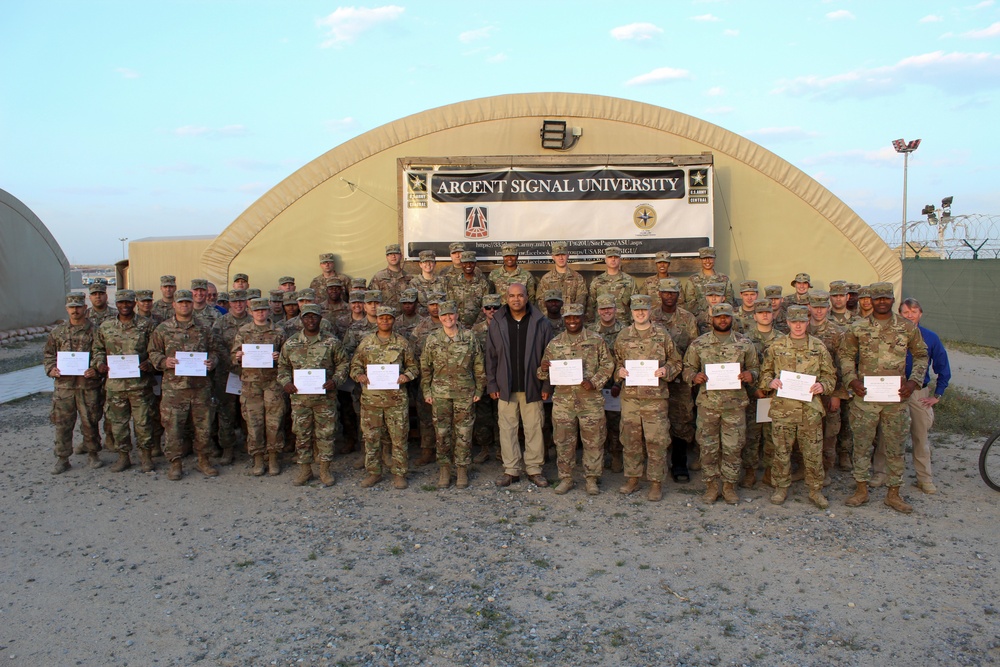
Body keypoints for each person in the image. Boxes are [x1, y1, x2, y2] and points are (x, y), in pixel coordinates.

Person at [839, 282, 928, 513]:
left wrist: (913, 381)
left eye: (886, 298)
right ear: (869, 300)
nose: (881, 302)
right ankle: (861, 489)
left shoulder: (907, 328)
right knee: (862, 445)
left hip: (895, 398)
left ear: (892, 300)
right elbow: (846, 355)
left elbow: (921, 355)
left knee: (896, 446)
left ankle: (894, 493)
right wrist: (852, 380)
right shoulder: (858, 327)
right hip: (865, 397)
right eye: (877, 298)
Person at [758, 306, 837, 508]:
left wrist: (823, 386)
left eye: (802, 321)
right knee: (781, 452)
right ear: (788, 323)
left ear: (807, 321)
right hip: (783, 409)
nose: (798, 325)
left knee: (812, 452)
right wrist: (770, 383)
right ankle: (781, 487)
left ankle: (815, 490)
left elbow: (830, 376)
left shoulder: (818, 347)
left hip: (810, 410)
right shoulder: (776, 347)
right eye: (794, 322)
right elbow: (765, 373)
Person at [871, 298, 951, 495]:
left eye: (913, 312)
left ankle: (924, 478)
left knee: (920, 436)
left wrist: (937, 395)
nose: (910, 316)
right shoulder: (890, 335)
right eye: (905, 312)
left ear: (920, 314)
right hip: (892, 391)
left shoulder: (930, 338)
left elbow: (943, 368)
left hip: (917, 393)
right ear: (899, 314)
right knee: (886, 435)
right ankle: (880, 473)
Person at [683, 302, 759, 505]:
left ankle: (729, 486)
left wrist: (749, 375)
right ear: (712, 319)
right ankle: (711, 486)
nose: (722, 319)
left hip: (734, 406)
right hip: (708, 405)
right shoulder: (699, 344)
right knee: (708, 447)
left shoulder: (744, 343)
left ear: (732, 318)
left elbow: (755, 368)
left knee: (733, 448)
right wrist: (694, 376)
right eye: (718, 316)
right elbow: (687, 368)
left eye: (726, 316)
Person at [538, 303, 614, 495]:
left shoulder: (596, 340)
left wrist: (595, 382)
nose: (572, 321)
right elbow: (542, 373)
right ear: (564, 319)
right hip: (564, 402)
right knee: (564, 442)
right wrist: (544, 369)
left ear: (583, 317)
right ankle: (566, 478)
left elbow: (608, 365)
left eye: (576, 317)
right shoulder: (555, 344)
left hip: (590, 401)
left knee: (593, 441)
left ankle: (591, 479)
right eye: (569, 318)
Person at [613, 294, 683, 501]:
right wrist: (619, 372)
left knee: (656, 440)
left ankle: (655, 482)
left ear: (650, 311)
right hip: (631, 399)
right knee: (630, 439)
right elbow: (615, 362)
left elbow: (676, 362)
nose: (640, 313)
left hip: (655, 399)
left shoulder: (661, 335)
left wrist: (666, 371)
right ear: (631, 312)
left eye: (644, 309)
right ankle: (633, 478)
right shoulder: (623, 336)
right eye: (636, 310)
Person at [486, 282, 554, 488]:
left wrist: (546, 386)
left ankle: (534, 469)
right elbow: (490, 356)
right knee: (507, 429)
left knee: (534, 428)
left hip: (532, 386)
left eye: (520, 295)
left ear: (527, 297)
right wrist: (491, 384)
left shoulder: (540, 322)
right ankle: (511, 470)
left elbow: (550, 356)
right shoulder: (497, 322)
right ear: (506, 298)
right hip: (505, 387)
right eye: (512, 296)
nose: (516, 299)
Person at [147, 289, 219, 481]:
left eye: (187, 302)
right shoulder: (162, 329)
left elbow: (214, 351)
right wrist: (164, 362)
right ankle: (175, 463)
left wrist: (212, 362)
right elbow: (153, 352)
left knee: (203, 426)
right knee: (173, 427)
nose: (184, 305)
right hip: (174, 388)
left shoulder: (204, 328)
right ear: (174, 305)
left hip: (200, 387)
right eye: (181, 303)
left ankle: (204, 460)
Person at [276, 304, 348, 487]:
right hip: (300, 400)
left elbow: (343, 364)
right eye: (307, 317)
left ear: (320, 318)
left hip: (325, 398)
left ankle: (324, 469)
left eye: (314, 317)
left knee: (326, 434)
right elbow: (283, 367)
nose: (310, 320)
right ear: (301, 319)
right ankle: (305, 469)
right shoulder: (291, 343)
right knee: (302, 434)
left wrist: (336, 380)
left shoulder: (331, 342)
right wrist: (286, 383)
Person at [351, 306, 419, 489]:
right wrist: (359, 376)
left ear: (393, 320)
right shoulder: (366, 343)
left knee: (398, 439)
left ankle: (399, 473)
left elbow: (414, 367)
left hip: (395, 401)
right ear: (377, 320)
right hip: (371, 401)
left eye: (389, 318)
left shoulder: (402, 343)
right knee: (372, 438)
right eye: (382, 318)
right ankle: (374, 472)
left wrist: (407, 376)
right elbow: (354, 366)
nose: (385, 321)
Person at [421, 300, 484, 489]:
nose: (448, 318)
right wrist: (426, 391)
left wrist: (480, 388)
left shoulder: (469, 337)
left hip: (465, 392)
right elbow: (425, 367)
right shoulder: (432, 339)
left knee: (464, 432)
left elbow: (479, 364)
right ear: (439, 318)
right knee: (442, 433)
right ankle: (445, 469)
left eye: (451, 314)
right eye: (444, 315)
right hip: (440, 393)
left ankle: (462, 469)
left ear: (457, 316)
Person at [93, 289, 157, 473]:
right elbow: (98, 350)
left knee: (143, 423)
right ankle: (123, 457)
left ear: (134, 303)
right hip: (115, 386)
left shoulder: (147, 325)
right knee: (118, 423)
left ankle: (146, 457)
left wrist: (150, 363)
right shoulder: (106, 327)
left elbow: (155, 350)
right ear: (117, 304)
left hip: (140, 385)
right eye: (121, 303)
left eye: (128, 302)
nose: (125, 306)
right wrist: (100, 364)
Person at [45, 293, 102, 473]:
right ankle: (63, 458)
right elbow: (48, 354)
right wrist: (51, 369)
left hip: (87, 385)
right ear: (67, 308)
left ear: (85, 308)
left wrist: (94, 368)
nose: (75, 310)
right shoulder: (57, 332)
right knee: (63, 423)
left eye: (78, 306)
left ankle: (93, 453)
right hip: (64, 387)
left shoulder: (96, 330)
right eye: (72, 307)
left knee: (90, 421)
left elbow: (100, 353)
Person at [650, 278, 700, 481]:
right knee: (656, 420)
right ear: (659, 294)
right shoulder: (651, 316)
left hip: (680, 378)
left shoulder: (688, 318)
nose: (669, 296)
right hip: (654, 378)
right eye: (665, 292)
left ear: (679, 295)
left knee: (681, 419)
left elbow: (694, 347)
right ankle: (657, 464)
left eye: (673, 293)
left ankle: (679, 463)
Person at [232, 298, 287, 476]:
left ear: (268, 311)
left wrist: (280, 357)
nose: (260, 313)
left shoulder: (278, 331)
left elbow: (288, 356)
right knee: (253, 421)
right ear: (250, 312)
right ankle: (257, 457)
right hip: (250, 383)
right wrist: (238, 356)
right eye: (257, 311)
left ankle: (272, 457)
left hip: (273, 383)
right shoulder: (244, 331)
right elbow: (233, 354)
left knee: (274, 421)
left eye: (263, 310)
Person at [806, 290, 849, 484]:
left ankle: (825, 471)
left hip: (828, 390)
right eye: (815, 307)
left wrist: (837, 394)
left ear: (828, 308)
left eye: (822, 307)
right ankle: (807, 470)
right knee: (807, 433)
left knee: (829, 433)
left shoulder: (837, 332)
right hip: (805, 391)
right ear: (809, 308)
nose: (819, 311)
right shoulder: (802, 329)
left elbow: (842, 365)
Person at [742, 299, 784, 488]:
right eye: (761, 313)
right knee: (751, 435)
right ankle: (750, 472)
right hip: (752, 395)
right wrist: (754, 389)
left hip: (775, 395)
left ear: (773, 314)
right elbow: (742, 368)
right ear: (754, 316)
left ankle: (768, 472)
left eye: (768, 312)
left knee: (772, 436)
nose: (765, 315)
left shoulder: (783, 340)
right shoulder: (745, 339)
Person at [211, 289, 252, 465]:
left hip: (250, 375)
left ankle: (250, 446)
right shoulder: (220, 323)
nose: (238, 304)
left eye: (242, 301)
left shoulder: (254, 321)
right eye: (234, 302)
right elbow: (216, 346)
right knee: (226, 413)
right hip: (225, 374)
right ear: (229, 303)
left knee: (249, 412)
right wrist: (232, 362)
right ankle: (227, 448)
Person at [588, 294, 625, 473]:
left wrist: (619, 382)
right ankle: (598, 458)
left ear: (615, 309)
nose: (606, 312)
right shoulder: (591, 331)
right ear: (598, 311)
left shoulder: (625, 331)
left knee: (616, 422)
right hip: (596, 384)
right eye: (603, 309)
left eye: (609, 308)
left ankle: (617, 455)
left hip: (616, 384)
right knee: (596, 423)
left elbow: (626, 359)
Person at [472, 294, 502, 463]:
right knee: (482, 417)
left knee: (501, 416)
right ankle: (484, 449)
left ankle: (500, 449)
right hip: (482, 380)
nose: (492, 310)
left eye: (496, 307)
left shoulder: (506, 327)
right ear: (483, 310)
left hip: (500, 380)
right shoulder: (475, 331)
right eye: (489, 307)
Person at [586, 246, 636, 324]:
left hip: (623, 325)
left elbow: (635, 305)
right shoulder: (597, 281)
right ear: (605, 260)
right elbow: (590, 307)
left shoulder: (629, 281)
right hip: (602, 326)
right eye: (610, 257)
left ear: (620, 260)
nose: (613, 259)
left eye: (616, 257)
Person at [681, 246, 734, 316]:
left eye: (710, 258)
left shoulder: (724, 279)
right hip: (700, 318)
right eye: (704, 258)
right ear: (700, 260)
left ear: (714, 258)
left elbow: (729, 301)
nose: (707, 261)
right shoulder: (693, 280)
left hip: (721, 317)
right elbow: (690, 302)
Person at [536, 241, 587, 312]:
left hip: (572, 319)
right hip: (552, 319)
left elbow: (581, 300)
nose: (561, 258)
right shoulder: (546, 279)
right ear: (553, 257)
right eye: (557, 255)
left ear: (568, 255)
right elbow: (541, 302)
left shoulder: (578, 278)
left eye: (563, 254)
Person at [448, 250, 492, 329]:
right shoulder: (453, 282)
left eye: (471, 262)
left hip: (478, 326)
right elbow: (450, 305)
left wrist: (477, 325)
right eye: (465, 262)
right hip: (457, 326)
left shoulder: (482, 283)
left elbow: (486, 306)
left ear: (475, 264)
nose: (468, 265)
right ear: (461, 264)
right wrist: (456, 323)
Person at [369, 244, 411, 309]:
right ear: (386, 257)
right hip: (385, 317)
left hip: (404, 317)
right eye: (390, 254)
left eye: (396, 253)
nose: (393, 256)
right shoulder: (379, 277)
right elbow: (371, 299)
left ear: (401, 256)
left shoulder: (409, 278)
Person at [411, 249, 445, 316]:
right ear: (420, 264)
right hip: (422, 320)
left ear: (435, 264)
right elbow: (413, 304)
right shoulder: (414, 283)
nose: (428, 264)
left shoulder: (443, 281)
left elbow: (446, 301)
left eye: (431, 262)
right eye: (425, 262)